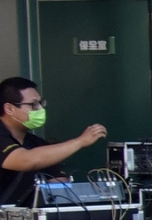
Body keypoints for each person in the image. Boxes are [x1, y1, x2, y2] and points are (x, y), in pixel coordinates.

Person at [0, 78, 106, 206]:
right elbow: (24, 160)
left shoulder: (37, 143)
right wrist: (80, 142)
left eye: (41, 103)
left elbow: (59, 186)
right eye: (33, 104)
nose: (40, 109)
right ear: (9, 109)